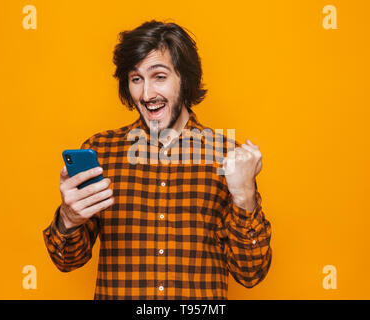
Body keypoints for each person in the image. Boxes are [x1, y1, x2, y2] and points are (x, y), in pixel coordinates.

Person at [43, 20, 272, 300]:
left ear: (184, 79)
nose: (147, 94)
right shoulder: (101, 152)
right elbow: (67, 260)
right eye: (136, 79)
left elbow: (251, 273)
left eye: (159, 76)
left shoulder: (226, 157)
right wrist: (69, 219)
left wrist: (244, 195)